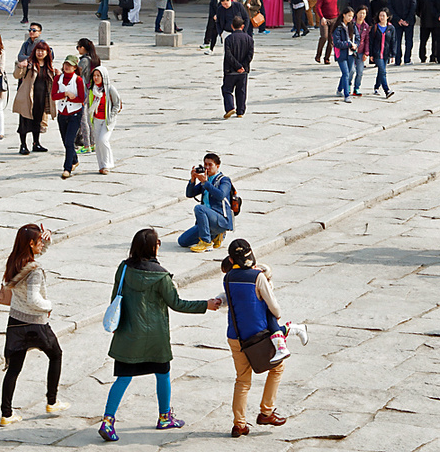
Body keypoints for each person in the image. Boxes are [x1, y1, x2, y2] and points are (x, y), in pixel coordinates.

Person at [97, 229, 218, 441]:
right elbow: (177, 304)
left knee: (123, 378)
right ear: (153, 247)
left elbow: (116, 296)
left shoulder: (124, 268)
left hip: (128, 333)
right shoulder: (161, 276)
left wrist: (115, 323)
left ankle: (108, 421)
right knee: (163, 374)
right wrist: (205, 305)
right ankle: (164, 417)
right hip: (155, 337)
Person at [222, 238, 301, 437]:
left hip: (235, 337)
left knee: (242, 381)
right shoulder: (257, 277)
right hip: (258, 337)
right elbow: (275, 309)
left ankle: (239, 424)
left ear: (231, 259)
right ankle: (267, 411)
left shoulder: (228, 277)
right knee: (277, 368)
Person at [0, 224, 66, 425]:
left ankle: (6, 414)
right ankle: (52, 401)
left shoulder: (13, 263)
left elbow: (36, 254)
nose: (41, 246)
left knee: (13, 369)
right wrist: (49, 305)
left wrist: (46, 240)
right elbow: (33, 299)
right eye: (38, 242)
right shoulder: (35, 271)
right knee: (56, 355)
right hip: (36, 324)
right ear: (30, 243)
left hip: (15, 323)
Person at [179, 152, 236, 252]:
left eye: (210, 165)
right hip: (207, 222)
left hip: (221, 220)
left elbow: (221, 195)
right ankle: (215, 236)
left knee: (199, 208)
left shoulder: (224, 180)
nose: (207, 167)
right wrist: (192, 180)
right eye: (205, 164)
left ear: (217, 166)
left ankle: (206, 242)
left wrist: (206, 183)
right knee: (182, 241)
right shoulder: (205, 180)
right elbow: (189, 194)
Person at [13, 40, 56, 155]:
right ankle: (23, 145)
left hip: (41, 98)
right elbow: (17, 75)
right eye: (38, 50)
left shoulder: (48, 66)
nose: (40, 53)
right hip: (28, 97)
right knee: (24, 121)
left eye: (43, 50)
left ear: (47, 53)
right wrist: (19, 66)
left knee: (37, 121)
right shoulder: (29, 63)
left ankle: (36, 143)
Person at [52, 55, 86, 179]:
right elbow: (53, 96)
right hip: (62, 112)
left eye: (70, 65)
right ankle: (75, 159)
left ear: (75, 67)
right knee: (65, 141)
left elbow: (81, 99)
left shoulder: (78, 80)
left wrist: (72, 97)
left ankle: (67, 167)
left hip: (75, 113)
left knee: (69, 141)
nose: (67, 67)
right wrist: (65, 94)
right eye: (66, 64)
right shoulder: (58, 78)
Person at [88, 64, 121, 174]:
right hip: (96, 119)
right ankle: (101, 165)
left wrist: (111, 116)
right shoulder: (93, 89)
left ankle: (107, 164)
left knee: (103, 140)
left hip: (107, 120)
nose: (96, 78)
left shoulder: (110, 89)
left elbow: (117, 103)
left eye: (98, 76)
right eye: (94, 76)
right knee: (98, 143)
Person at [223, 19, 255, 118]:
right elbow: (250, 55)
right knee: (241, 91)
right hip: (243, 71)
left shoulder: (228, 39)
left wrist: (236, 66)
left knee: (227, 90)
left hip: (230, 70)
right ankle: (240, 111)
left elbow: (228, 55)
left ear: (232, 26)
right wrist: (242, 66)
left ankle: (230, 107)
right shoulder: (249, 39)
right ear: (242, 26)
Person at [387, 0, 416, 64]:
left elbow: (390, 8)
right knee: (409, 40)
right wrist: (407, 20)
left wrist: (398, 19)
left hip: (396, 22)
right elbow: (413, 7)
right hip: (409, 22)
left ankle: (398, 60)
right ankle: (407, 59)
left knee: (397, 40)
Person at [331, 11, 358, 102]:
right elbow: (337, 43)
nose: (350, 18)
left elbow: (357, 37)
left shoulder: (352, 26)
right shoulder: (338, 28)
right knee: (346, 73)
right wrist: (348, 44)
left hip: (351, 53)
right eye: (349, 15)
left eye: (352, 16)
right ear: (344, 15)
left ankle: (339, 89)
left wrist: (355, 45)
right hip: (341, 54)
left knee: (349, 72)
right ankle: (347, 95)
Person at [368, 8, 395, 98]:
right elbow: (371, 41)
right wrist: (371, 54)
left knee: (381, 71)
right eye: (380, 15)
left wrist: (393, 54)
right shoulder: (375, 27)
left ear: (387, 17)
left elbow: (393, 41)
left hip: (386, 53)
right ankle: (386, 90)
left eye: (384, 15)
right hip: (377, 53)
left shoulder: (391, 28)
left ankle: (376, 87)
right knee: (383, 71)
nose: (382, 17)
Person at [416, 0, 440, 64]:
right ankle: (433, 57)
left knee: (423, 41)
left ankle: (422, 57)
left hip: (424, 21)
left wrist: (421, 15)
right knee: (435, 40)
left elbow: (416, 10)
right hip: (435, 22)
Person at [314, 0, 340, 64]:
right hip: (325, 19)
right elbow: (318, 7)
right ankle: (318, 55)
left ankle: (327, 58)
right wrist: (322, 17)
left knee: (331, 39)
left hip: (334, 19)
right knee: (324, 37)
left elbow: (339, 7)